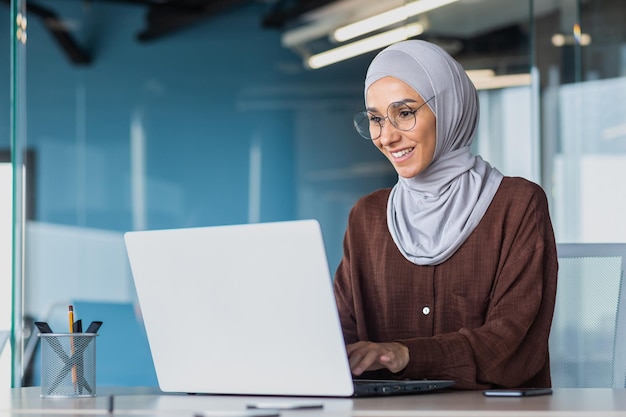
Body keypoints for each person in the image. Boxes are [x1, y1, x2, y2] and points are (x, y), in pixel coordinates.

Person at [333, 39, 558, 390]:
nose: (386, 136)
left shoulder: (516, 204)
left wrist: (406, 354)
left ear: (449, 109)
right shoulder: (367, 217)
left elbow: (512, 347)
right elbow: (339, 336)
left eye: (404, 113)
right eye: (376, 119)